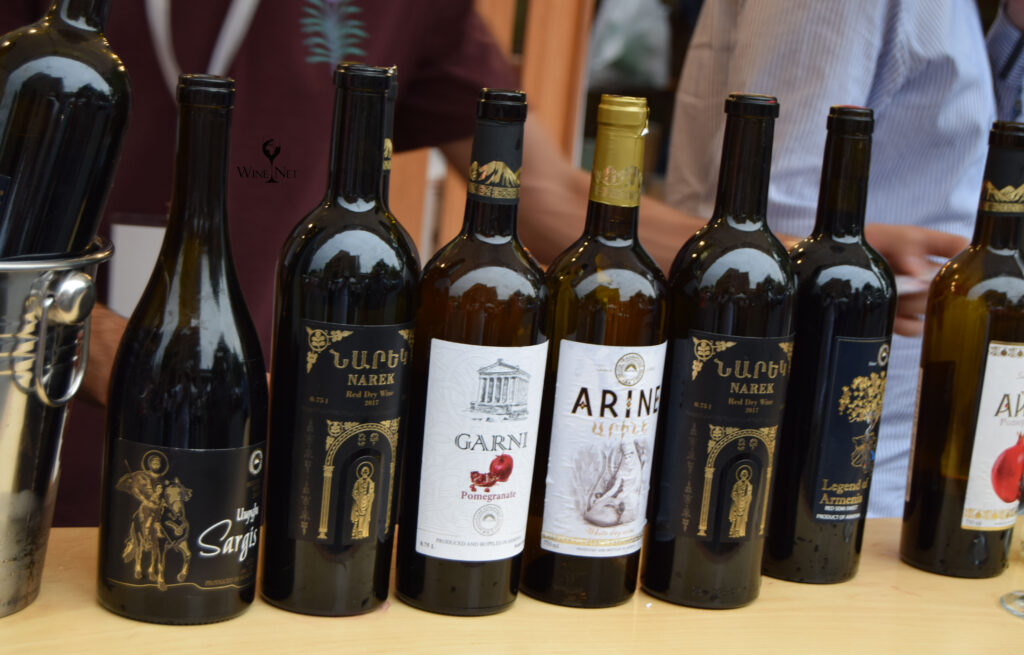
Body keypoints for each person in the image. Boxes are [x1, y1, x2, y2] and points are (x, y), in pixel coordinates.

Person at [0, 0, 964, 525]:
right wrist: (134, 355)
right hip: (30, 434)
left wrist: (789, 260)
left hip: (272, 464)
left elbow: (542, 199)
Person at [665, 0, 1024, 517]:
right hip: (824, 454)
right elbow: (760, 240)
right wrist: (856, 271)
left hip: (896, 434)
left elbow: (976, 139)